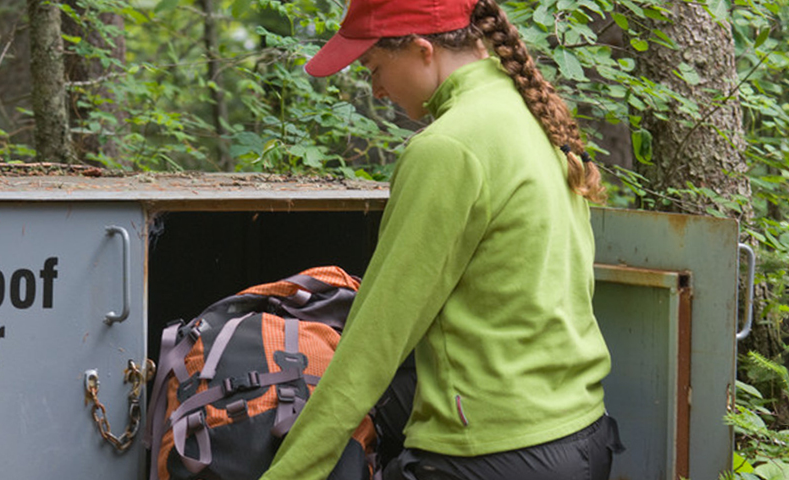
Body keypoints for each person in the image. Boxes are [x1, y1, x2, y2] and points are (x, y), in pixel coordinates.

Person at [258, 0, 623, 479]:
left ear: (420, 48)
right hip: (580, 437)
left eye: (374, 67)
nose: (378, 88)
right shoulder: (526, 112)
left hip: (489, 454)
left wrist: (290, 472)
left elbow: (377, 339)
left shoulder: (448, 147)